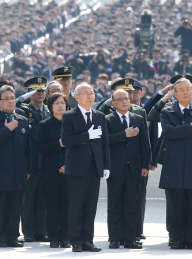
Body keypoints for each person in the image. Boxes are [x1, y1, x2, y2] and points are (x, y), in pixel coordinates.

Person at [158, 75, 192, 250]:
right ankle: (175, 238)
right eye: (181, 90)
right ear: (174, 93)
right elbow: (168, 132)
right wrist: (189, 128)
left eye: (188, 89)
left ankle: (191, 239)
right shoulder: (167, 111)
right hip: (173, 164)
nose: (185, 92)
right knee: (175, 204)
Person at [61, 83, 111, 252]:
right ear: (76, 97)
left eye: (92, 92)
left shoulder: (99, 116)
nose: (90, 96)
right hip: (76, 169)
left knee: (91, 206)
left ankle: (88, 240)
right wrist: (86, 136)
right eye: (86, 93)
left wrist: (106, 166)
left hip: (94, 168)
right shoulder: (69, 116)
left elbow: (104, 144)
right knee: (76, 206)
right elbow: (66, 140)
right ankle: (75, 240)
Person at [0, 85, 31, 248]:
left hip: (19, 170)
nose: (11, 101)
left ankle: (12, 235)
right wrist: (6, 129)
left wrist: (28, 169)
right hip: (1, 171)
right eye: (7, 98)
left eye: (13, 98)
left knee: (15, 205)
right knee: (0, 205)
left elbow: (28, 148)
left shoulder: (22, 119)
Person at [105, 84, 151, 249]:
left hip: (134, 168)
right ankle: (114, 238)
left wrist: (146, 164)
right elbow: (105, 141)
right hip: (115, 168)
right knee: (115, 204)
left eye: (127, 98)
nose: (125, 101)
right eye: (120, 99)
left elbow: (144, 143)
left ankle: (130, 238)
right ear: (113, 102)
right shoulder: (107, 119)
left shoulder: (138, 118)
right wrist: (123, 135)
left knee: (132, 204)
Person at [17, 76, 50, 243]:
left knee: (42, 199)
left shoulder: (48, 111)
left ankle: (41, 231)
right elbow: (11, 104)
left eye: (43, 90)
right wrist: (23, 96)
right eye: (36, 90)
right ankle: (28, 231)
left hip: (46, 162)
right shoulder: (23, 109)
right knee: (28, 200)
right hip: (30, 162)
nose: (40, 93)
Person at [37, 92, 70, 248]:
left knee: (66, 205)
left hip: (69, 170)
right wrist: (58, 143)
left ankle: (65, 236)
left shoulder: (72, 123)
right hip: (50, 171)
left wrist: (68, 165)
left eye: (63, 103)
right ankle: (53, 237)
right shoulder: (44, 124)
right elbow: (40, 147)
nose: (60, 105)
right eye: (57, 103)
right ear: (50, 107)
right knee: (51, 206)